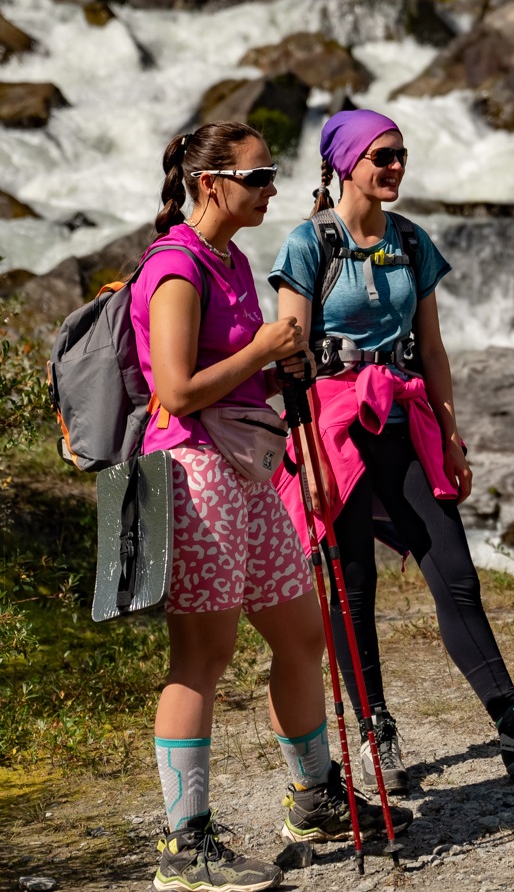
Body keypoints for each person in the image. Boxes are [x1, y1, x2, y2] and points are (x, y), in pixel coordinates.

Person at [270, 108, 514, 797]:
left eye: (400, 155)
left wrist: (450, 431)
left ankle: (513, 724)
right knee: (353, 584)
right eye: (382, 156)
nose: (395, 166)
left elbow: (433, 346)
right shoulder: (307, 246)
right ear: (345, 163)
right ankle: (374, 730)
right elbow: (289, 354)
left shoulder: (412, 242)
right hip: (333, 426)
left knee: (454, 570)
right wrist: (301, 451)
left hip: (403, 418)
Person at [137, 122, 411, 892]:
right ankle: (184, 845)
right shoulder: (176, 266)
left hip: (249, 470)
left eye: (274, 174)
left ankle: (313, 794)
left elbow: (234, 373)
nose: (272, 188)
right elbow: (177, 389)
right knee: (201, 658)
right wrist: (262, 350)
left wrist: (275, 363)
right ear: (211, 183)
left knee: (300, 633)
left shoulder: (228, 260)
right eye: (258, 177)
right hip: (194, 472)